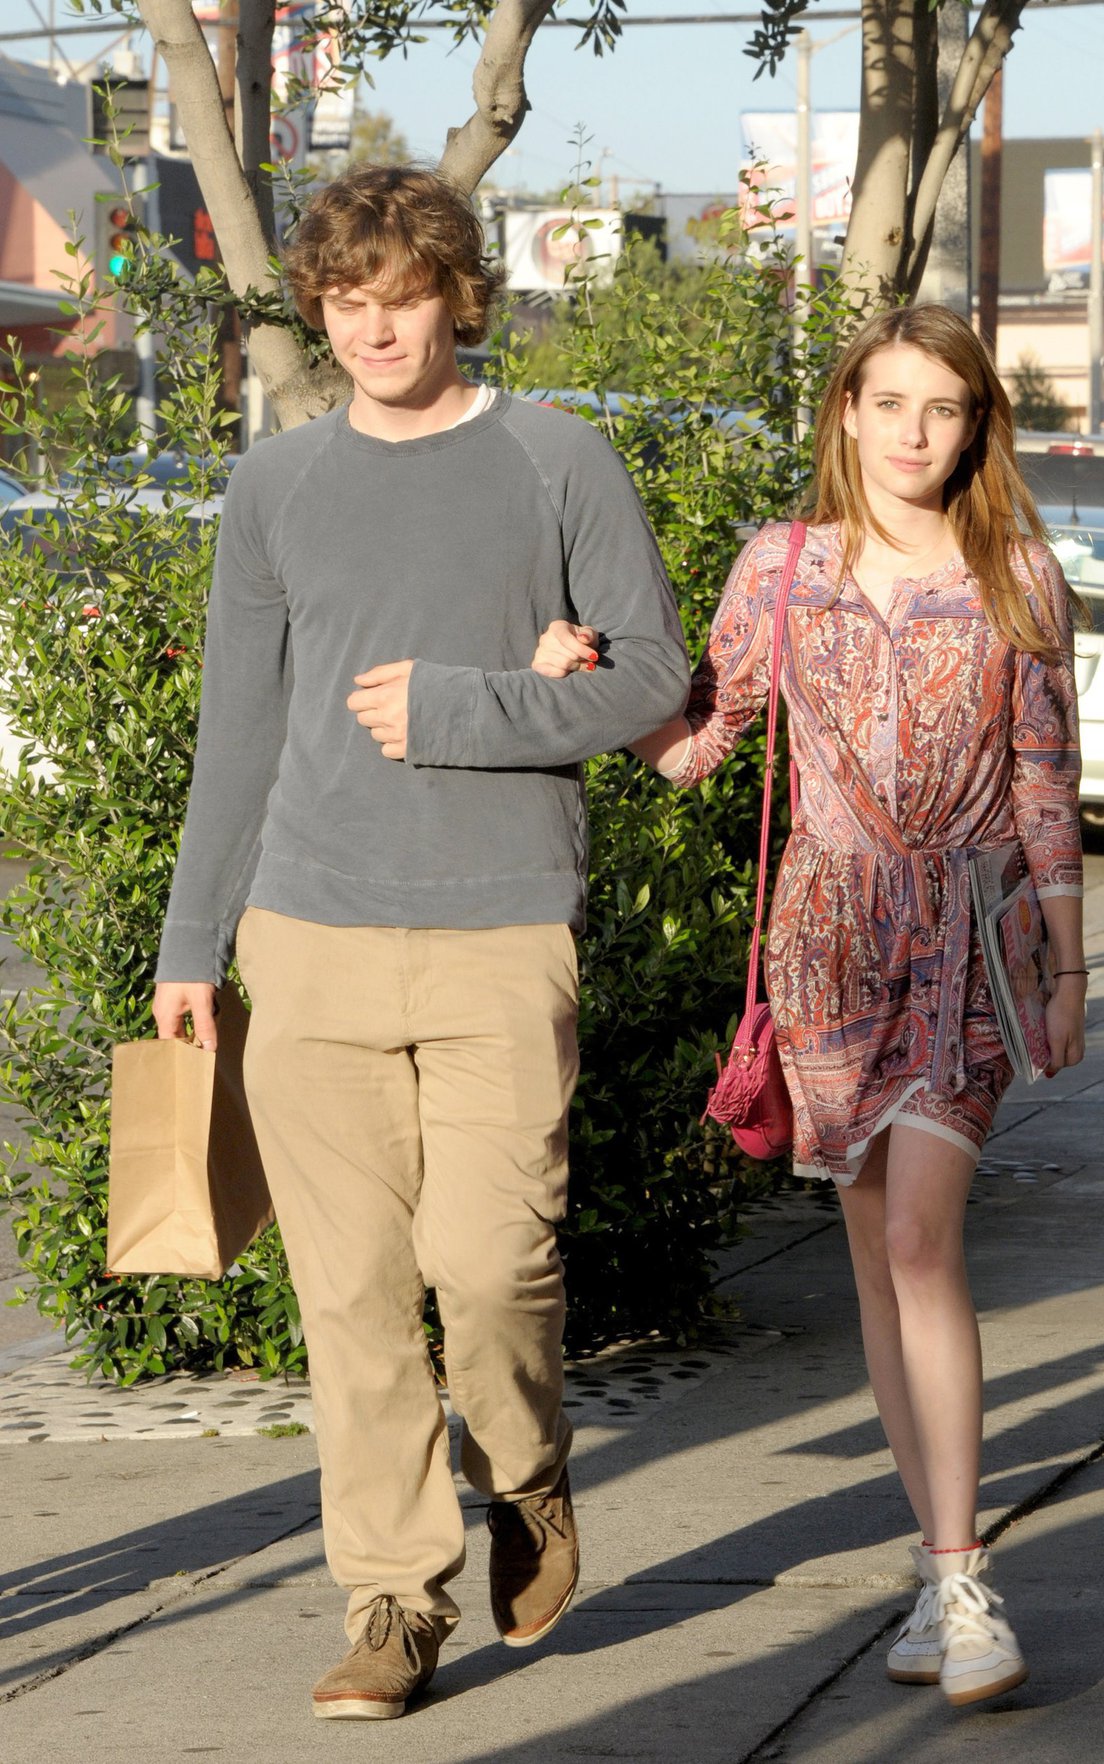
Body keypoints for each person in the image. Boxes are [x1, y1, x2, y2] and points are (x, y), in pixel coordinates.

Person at [151, 163, 691, 1721]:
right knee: (354, 1299)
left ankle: (523, 1471)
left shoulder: (552, 457)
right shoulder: (277, 485)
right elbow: (236, 732)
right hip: (304, 933)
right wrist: (195, 942)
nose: (376, 326)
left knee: (491, 1264)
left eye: (402, 297)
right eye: (346, 301)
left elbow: (652, 679)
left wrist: (472, 706)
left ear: (457, 296)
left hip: (499, 928)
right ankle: (393, 1601)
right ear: (317, 310)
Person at [530, 303, 1086, 1708]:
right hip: (826, 941)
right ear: (845, 411)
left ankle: (964, 1584)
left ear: (975, 427)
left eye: (941, 409)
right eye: (887, 402)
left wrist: (1067, 967)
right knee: (874, 1268)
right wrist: (578, 676)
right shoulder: (782, 568)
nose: (912, 432)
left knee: (917, 1241)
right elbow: (698, 749)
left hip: (968, 939)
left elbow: (1044, 786)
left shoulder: (1019, 574)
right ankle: (932, 1564)